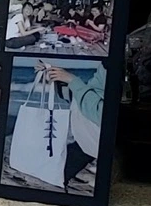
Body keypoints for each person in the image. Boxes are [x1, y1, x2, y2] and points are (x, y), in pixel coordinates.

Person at [41, 62, 104, 191]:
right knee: (73, 153)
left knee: (73, 154)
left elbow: (100, 113)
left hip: (92, 135)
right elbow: (94, 93)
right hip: (87, 135)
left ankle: (55, 184)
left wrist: (72, 80)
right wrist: (58, 75)